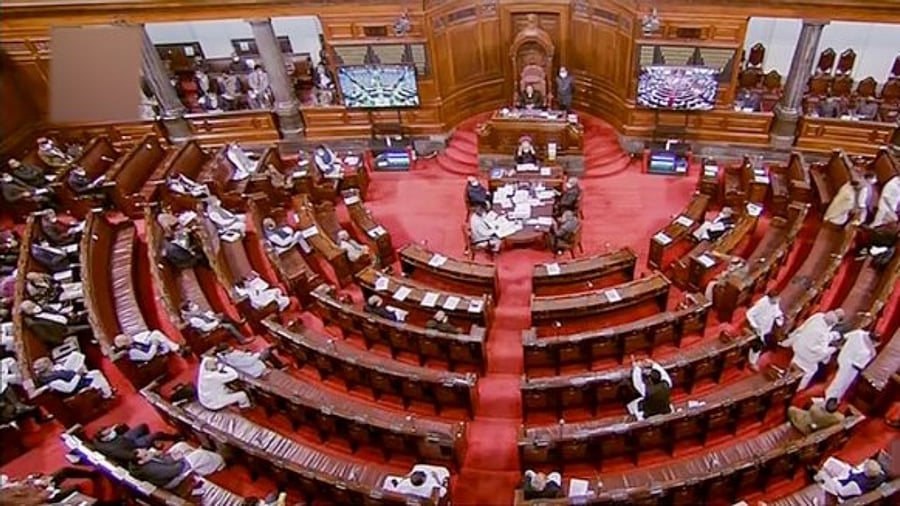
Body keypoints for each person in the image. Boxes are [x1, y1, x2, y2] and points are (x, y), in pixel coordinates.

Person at [780, 309, 844, 390]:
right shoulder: (823, 334)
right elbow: (821, 352)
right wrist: (833, 349)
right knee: (814, 369)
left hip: (799, 348)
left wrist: (831, 336)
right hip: (807, 359)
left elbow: (809, 330)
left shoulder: (818, 316)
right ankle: (797, 389)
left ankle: (786, 379)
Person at [129, 442, 225, 489]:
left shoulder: (142, 461)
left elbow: (161, 460)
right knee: (198, 456)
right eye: (145, 455)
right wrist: (181, 459)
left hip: (169, 467)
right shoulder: (151, 469)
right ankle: (220, 462)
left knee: (180, 445)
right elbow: (174, 470)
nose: (148, 452)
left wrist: (170, 456)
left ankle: (202, 457)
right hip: (172, 479)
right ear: (141, 462)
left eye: (144, 450)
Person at [825, 328, 878, 401]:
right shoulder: (869, 351)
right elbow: (859, 365)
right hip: (851, 367)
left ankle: (830, 397)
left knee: (837, 379)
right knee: (841, 383)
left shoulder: (858, 332)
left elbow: (845, 337)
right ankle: (830, 398)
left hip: (843, 357)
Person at [33, 354, 114, 399]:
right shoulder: (52, 381)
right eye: (50, 364)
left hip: (77, 378)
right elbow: (69, 388)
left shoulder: (53, 371)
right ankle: (107, 395)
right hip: (76, 387)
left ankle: (108, 391)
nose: (52, 365)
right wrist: (78, 375)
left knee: (77, 357)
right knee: (96, 374)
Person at [91, 423, 178, 463]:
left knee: (142, 426)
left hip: (126, 439)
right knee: (157, 434)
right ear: (105, 438)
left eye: (110, 430)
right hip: (134, 446)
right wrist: (144, 452)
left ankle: (152, 444)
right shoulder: (114, 450)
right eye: (109, 433)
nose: (111, 431)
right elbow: (131, 456)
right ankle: (176, 438)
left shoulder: (97, 439)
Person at [21, 300, 90, 347]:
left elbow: (57, 313)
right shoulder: (35, 323)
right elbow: (46, 337)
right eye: (30, 308)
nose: (34, 307)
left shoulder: (44, 308)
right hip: (64, 331)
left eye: (33, 304)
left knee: (86, 314)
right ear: (27, 312)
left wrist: (68, 314)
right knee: (88, 327)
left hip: (67, 320)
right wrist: (61, 341)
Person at [745, 291, 784, 371]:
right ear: (770, 298)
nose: (777, 301)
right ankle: (752, 362)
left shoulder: (775, 303)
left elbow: (776, 311)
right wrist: (754, 325)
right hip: (758, 328)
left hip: (767, 327)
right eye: (775, 299)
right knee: (757, 346)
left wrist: (778, 317)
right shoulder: (762, 303)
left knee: (764, 343)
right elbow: (749, 313)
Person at [180, 301, 251, 344]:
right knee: (228, 326)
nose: (195, 306)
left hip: (211, 322)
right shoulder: (193, 319)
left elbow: (206, 317)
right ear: (189, 310)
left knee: (222, 315)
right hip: (208, 331)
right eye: (192, 306)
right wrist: (217, 322)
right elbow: (205, 328)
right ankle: (242, 339)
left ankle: (237, 324)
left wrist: (212, 316)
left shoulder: (197, 313)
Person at [813, 457, 886, 499]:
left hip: (840, 490)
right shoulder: (880, 473)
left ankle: (816, 474)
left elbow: (842, 492)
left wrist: (834, 480)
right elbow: (855, 470)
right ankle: (821, 466)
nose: (864, 463)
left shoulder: (856, 484)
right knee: (831, 461)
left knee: (822, 475)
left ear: (866, 470)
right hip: (848, 476)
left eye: (865, 465)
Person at [213, 343, 284, 378]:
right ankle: (279, 366)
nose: (231, 347)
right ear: (225, 351)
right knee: (267, 351)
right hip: (254, 369)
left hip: (251, 360)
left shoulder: (226, 356)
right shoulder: (232, 358)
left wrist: (250, 353)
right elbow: (249, 362)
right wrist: (258, 354)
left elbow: (243, 356)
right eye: (229, 348)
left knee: (265, 351)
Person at [382, 464, 449, 499]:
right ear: (424, 479)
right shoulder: (431, 487)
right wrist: (436, 478)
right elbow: (443, 491)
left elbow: (390, 483)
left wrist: (403, 479)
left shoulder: (403, 484)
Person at [114, 331, 183, 363]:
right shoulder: (132, 352)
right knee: (157, 336)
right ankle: (176, 349)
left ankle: (176, 348)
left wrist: (153, 342)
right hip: (153, 357)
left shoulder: (134, 341)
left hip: (155, 348)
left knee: (156, 334)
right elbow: (148, 356)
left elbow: (146, 338)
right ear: (125, 344)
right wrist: (154, 344)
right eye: (127, 339)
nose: (129, 337)